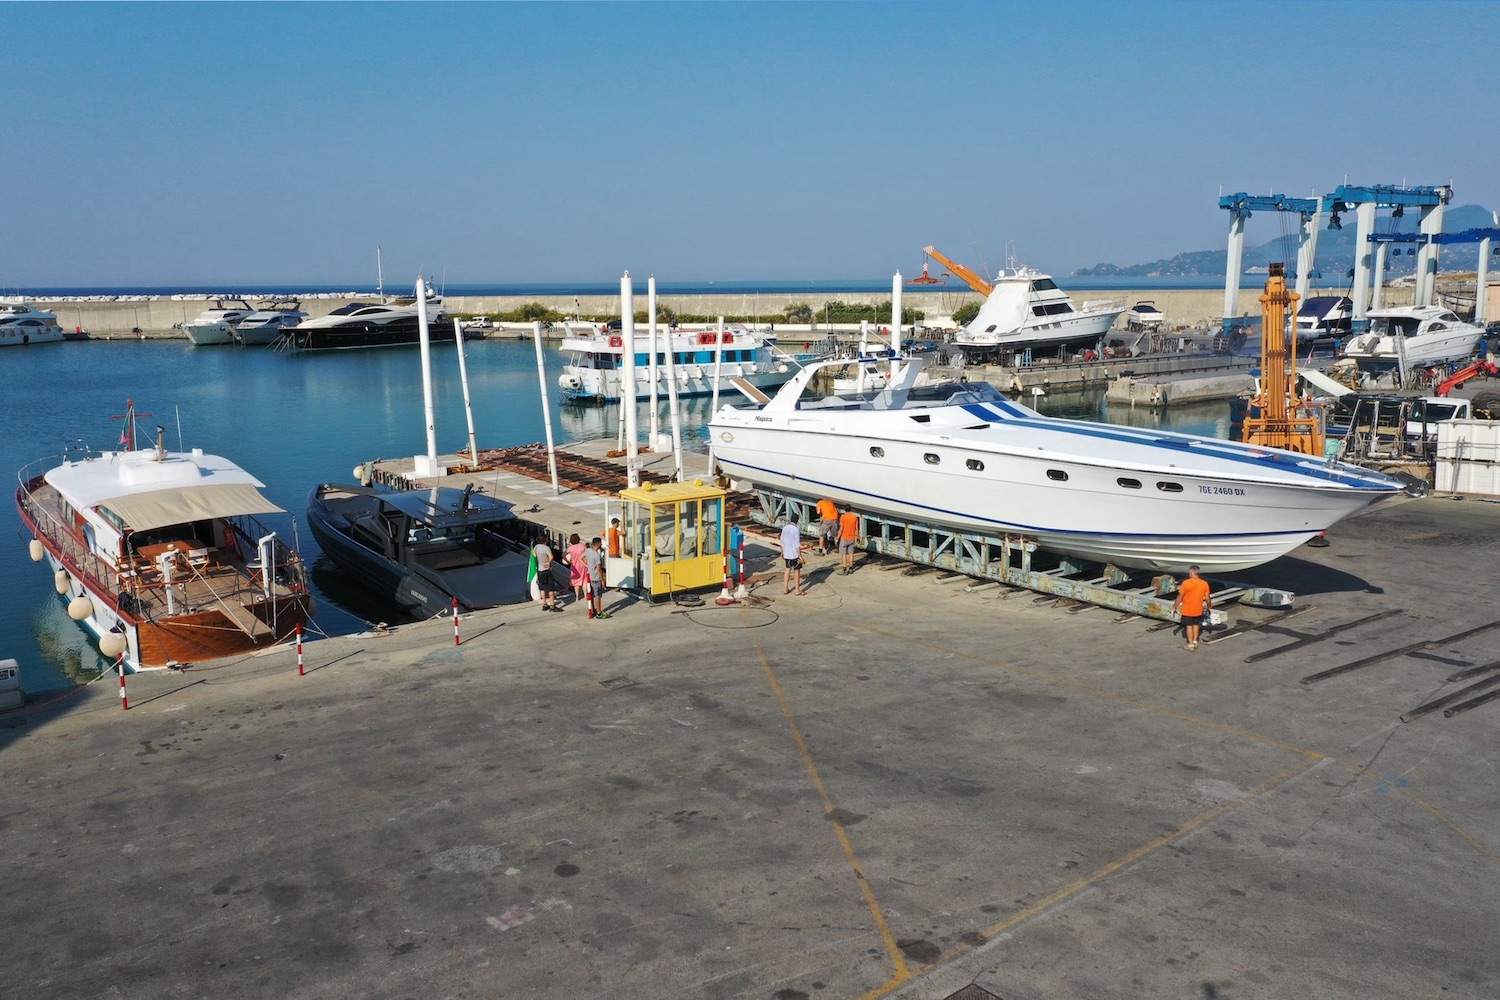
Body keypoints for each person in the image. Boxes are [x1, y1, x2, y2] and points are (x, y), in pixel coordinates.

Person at [1172, 565, 1211, 651]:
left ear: (1190, 573)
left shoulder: (1186, 583)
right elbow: (1207, 597)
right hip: (1198, 609)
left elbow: (1180, 596)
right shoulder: (1204, 583)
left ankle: (1190, 645)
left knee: (1189, 626)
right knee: (1196, 625)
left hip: (1187, 609)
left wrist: (1175, 607)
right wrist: (1209, 606)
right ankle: (1195, 641)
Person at [780, 513, 805, 595]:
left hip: (786, 553)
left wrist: (782, 552)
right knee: (797, 571)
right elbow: (797, 544)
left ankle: (785, 589)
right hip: (794, 554)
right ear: (797, 521)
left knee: (787, 570)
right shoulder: (796, 530)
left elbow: (782, 541)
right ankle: (797, 590)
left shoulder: (785, 528)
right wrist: (800, 556)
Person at [584, 536, 609, 619]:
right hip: (596, 578)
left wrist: (588, 566)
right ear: (598, 544)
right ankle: (599, 613)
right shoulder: (596, 555)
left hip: (589, 576)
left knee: (591, 595)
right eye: (601, 543)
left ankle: (593, 610)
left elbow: (580, 559)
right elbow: (599, 569)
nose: (601, 544)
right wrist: (603, 580)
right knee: (598, 596)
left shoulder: (587, 551)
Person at [534, 538, 561, 612]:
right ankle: (552, 605)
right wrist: (549, 562)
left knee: (542, 588)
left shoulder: (536, 547)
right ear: (545, 541)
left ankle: (544, 604)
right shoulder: (546, 548)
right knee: (550, 588)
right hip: (546, 570)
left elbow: (534, 555)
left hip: (540, 570)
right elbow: (551, 556)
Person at [565, 533, 588, 605]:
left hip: (574, 566)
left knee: (576, 583)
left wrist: (567, 561)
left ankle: (577, 597)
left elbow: (563, 554)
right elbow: (587, 554)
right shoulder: (583, 546)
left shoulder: (570, 548)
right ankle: (586, 597)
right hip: (583, 565)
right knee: (584, 582)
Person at [837, 506, 859, 575]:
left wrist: (837, 537)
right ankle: (851, 569)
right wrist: (857, 537)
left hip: (844, 538)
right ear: (850, 509)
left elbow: (841, 529)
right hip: (852, 538)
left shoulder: (843, 517)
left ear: (845, 510)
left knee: (843, 555)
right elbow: (856, 529)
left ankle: (844, 570)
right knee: (851, 554)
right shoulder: (854, 517)